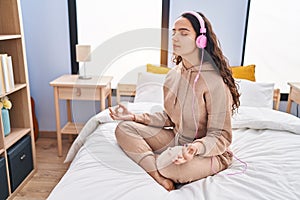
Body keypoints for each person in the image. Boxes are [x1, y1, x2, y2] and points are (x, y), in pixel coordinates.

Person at [109, 11, 240, 191]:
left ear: (200, 39)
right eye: (174, 32)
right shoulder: (173, 75)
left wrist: (195, 148)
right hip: (176, 140)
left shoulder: (214, 82)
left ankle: (160, 165)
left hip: (207, 151)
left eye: (184, 33)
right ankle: (157, 176)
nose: (175, 38)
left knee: (168, 165)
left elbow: (221, 135)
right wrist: (135, 117)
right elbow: (170, 117)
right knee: (124, 129)